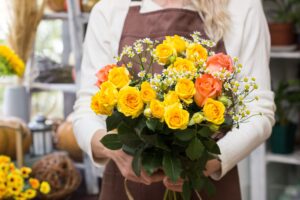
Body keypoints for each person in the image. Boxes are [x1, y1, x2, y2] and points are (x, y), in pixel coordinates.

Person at [73, 0, 275, 199]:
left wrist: (212, 159)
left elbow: (259, 110)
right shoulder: (109, 9)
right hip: (128, 186)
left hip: (205, 186)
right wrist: (113, 150)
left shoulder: (241, 7)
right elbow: (87, 109)